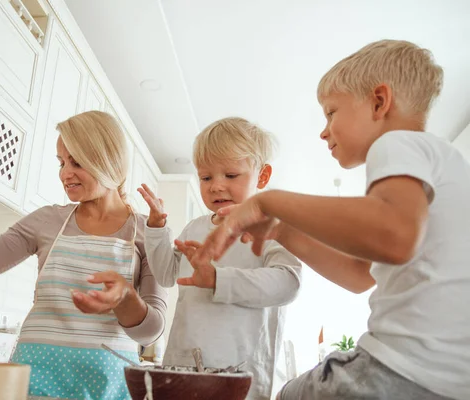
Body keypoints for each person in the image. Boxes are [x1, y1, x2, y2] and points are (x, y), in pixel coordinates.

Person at [195, 40, 470, 400]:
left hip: (398, 368)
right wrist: (280, 229)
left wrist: (271, 201)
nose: (324, 131)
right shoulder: (440, 164)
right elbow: (359, 276)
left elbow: (396, 236)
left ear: (378, 102)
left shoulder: (400, 144)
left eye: (331, 112)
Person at [0, 111, 168, 400]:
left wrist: (126, 299)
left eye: (77, 162)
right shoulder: (45, 221)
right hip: (35, 381)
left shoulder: (147, 231)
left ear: (107, 161)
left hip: (107, 387)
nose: (65, 173)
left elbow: (150, 333)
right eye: (62, 162)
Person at [138, 117, 302, 399]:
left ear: (261, 176)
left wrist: (218, 279)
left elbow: (289, 283)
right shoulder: (196, 227)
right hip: (182, 367)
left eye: (230, 175)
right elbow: (166, 274)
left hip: (240, 374)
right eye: (206, 177)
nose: (215, 186)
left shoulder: (273, 227)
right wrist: (155, 228)